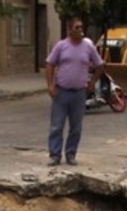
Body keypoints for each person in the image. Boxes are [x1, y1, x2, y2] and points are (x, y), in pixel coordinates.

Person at [44, 17, 104, 167]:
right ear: (70, 29)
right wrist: (50, 85)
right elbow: (50, 65)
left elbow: (100, 65)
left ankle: (71, 154)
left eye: (81, 27)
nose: (80, 30)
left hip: (79, 93)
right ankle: (55, 155)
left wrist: (92, 83)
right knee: (57, 125)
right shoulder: (61, 46)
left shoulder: (88, 47)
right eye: (77, 27)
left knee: (76, 127)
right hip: (61, 92)